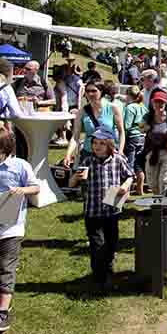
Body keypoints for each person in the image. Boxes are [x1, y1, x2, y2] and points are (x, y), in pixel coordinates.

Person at [68, 126, 134, 287]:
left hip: (112, 209)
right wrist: (76, 177)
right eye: (95, 143)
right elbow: (71, 184)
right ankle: (98, 279)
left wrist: (125, 186)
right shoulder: (88, 161)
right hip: (93, 211)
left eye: (102, 143)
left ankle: (108, 272)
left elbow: (130, 175)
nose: (97, 146)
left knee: (111, 243)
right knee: (97, 245)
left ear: (110, 145)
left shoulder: (118, 159)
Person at [0, 129, 40, 332]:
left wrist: (21, 190)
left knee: (6, 268)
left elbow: (35, 187)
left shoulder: (20, 166)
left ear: (5, 149)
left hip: (11, 228)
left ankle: (3, 311)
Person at [63, 82, 125, 167]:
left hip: (108, 154)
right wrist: (68, 154)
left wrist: (120, 151)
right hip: (88, 153)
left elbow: (121, 132)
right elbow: (75, 136)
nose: (90, 94)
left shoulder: (113, 108)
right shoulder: (82, 111)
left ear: (101, 91)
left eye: (93, 91)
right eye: (87, 91)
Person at [144, 90, 167, 195]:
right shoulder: (148, 117)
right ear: (152, 103)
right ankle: (156, 204)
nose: (158, 105)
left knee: (163, 181)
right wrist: (145, 128)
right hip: (152, 152)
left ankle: (162, 206)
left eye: (161, 102)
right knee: (152, 183)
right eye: (156, 102)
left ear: (166, 104)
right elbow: (140, 129)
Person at [122, 86, 148, 194]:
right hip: (142, 137)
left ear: (128, 95)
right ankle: (140, 189)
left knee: (129, 164)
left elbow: (127, 125)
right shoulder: (143, 107)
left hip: (132, 138)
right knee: (139, 164)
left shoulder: (130, 108)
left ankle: (126, 191)